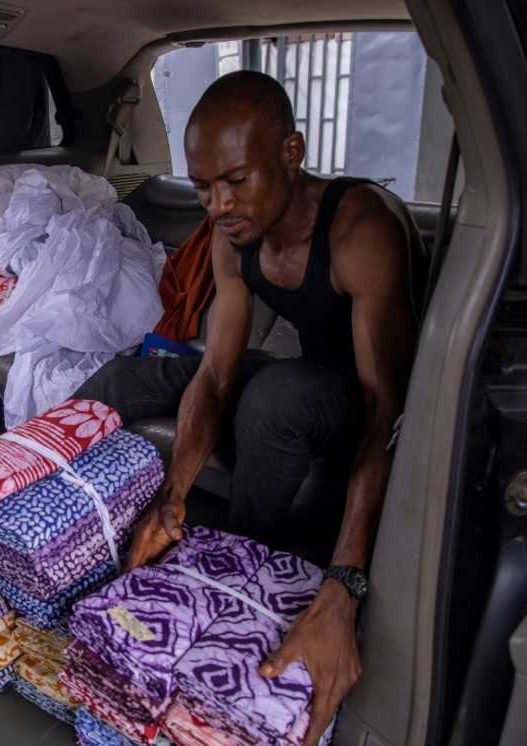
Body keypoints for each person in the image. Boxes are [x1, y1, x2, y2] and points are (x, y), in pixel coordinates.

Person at [73, 70, 417, 745]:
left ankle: (242, 582)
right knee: (128, 377)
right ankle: (12, 495)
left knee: (276, 396)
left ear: (291, 152)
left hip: (357, 405)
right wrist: (173, 496)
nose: (219, 205)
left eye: (236, 180)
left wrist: (346, 583)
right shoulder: (233, 233)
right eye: (204, 188)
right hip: (296, 377)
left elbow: (388, 416)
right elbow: (215, 372)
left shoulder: (359, 231)